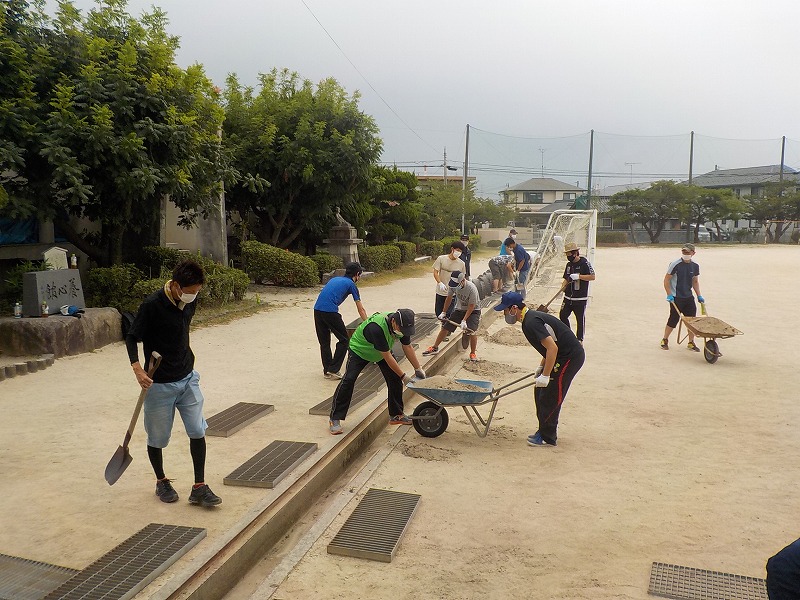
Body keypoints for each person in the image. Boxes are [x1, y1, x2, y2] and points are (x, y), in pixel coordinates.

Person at [125, 260, 221, 507]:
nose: (194, 296)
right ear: (176, 286)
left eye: (197, 291)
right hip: (159, 384)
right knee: (158, 437)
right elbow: (132, 336)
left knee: (197, 430)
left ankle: (199, 487)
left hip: (188, 377)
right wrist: (137, 369)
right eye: (190, 291)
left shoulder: (191, 300)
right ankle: (161, 481)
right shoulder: (152, 305)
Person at [494, 291, 585, 447]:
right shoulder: (528, 320)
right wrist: (541, 367)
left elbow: (552, 348)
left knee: (551, 393)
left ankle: (547, 436)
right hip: (560, 356)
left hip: (570, 357)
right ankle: (543, 430)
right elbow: (547, 349)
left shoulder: (531, 322)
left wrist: (546, 375)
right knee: (540, 391)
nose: (504, 314)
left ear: (514, 308)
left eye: (505, 310)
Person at [328, 309, 426, 435]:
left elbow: (407, 346)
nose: (403, 332)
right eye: (401, 329)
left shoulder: (403, 326)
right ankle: (334, 418)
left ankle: (396, 415)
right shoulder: (376, 328)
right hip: (360, 350)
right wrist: (403, 376)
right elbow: (387, 357)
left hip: (380, 353)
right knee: (349, 379)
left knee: (394, 378)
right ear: (394, 321)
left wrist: (418, 369)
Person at [313, 262, 368, 380]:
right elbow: (360, 308)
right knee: (344, 340)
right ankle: (334, 369)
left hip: (317, 310)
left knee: (324, 342)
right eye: (360, 275)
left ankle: (327, 370)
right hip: (330, 311)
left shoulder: (335, 279)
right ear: (357, 274)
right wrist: (368, 323)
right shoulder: (351, 284)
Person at [422, 271, 481, 360]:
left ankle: (473, 353)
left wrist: (464, 320)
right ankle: (435, 347)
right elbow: (449, 298)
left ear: (463, 280)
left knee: (472, 331)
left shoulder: (471, 288)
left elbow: (471, 306)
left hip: (473, 311)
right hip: (459, 309)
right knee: (445, 327)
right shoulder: (452, 285)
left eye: (457, 284)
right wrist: (444, 312)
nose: (455, 286)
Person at [661, 243, 705, 351]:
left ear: (693, 253)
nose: (685, 253)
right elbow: (666, 280)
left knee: (692, 321)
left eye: (688, 252)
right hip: (676, 297)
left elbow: (695, 281)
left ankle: (691, 342)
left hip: (688, 297)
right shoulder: (675, 264)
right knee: (673, 319)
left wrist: (699, 295)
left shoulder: (695, 266)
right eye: (683, 251)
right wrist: (669, 294)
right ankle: (665, 339)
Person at [559, 242, 596, 343]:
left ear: (575, 253)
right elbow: (566, 279)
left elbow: (592, 277)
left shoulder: (584, 263)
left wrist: (579, 276)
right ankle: (569, 336)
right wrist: (561, 289)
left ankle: (579, 339)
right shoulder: (568, 265)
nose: (568, 257)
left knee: (580, 319)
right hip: (568, 298)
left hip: (580, 298)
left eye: (569, 254)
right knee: (563, 316)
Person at [432, 241, 466, 319]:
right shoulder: (441, 259)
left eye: (460, 251)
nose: (459, 253)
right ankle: (443, 324)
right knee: (438, 313)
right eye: (457, 250)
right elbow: (435, 272)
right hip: (441, 291)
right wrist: (439, 283)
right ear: (452, 249)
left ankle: (446, 326)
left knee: (449, 314)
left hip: (452, 293)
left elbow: (462, 277)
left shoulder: (461, 264)